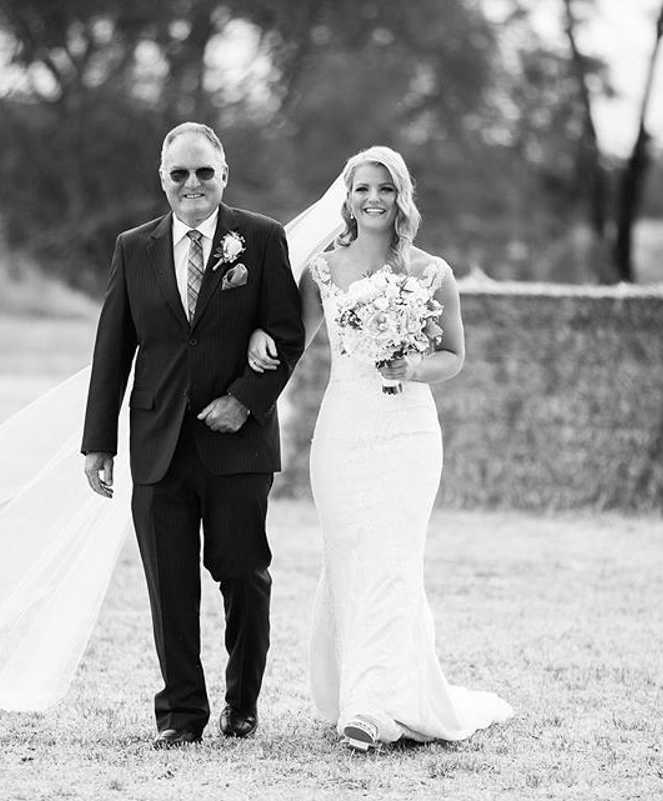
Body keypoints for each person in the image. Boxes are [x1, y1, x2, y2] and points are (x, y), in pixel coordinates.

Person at [247, 145, 514, 752]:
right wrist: (262, 337)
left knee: (393, 558)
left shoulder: (431, 273)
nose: (373, 199)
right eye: (363, 188)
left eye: (386, 190)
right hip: (342, 434)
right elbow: (296, 338)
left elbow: (455, 357)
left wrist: (413, 364)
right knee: (348, 557)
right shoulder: (323, 267)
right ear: (346, 197)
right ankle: (357, 689)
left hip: (408, 435)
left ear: (402, 198)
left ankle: (373, 706)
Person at [80, 122, 305, 749]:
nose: (192, 184)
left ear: (223, 175)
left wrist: (244, 400)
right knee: (168, 587)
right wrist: (99, 440)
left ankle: (242, 703)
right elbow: (112, 349)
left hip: (237, 444)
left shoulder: (259, 240)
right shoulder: (134, 247)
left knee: (244, 574)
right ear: (162, 179)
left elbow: (288, 336)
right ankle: (181, 714)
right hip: (158, 445)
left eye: (204, 172)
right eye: (179, 173)